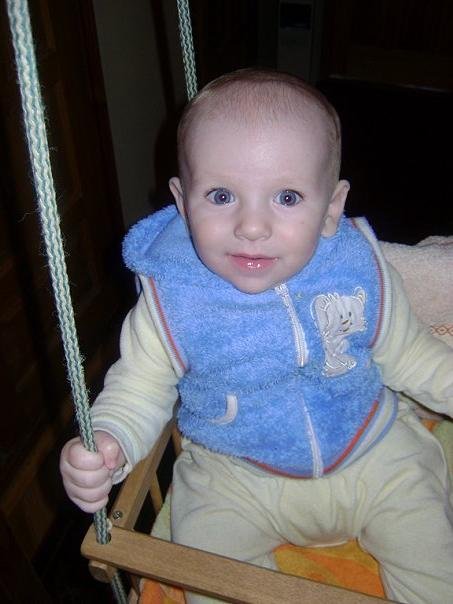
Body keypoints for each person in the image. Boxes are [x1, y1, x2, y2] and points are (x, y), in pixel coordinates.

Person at [60, 69, 453, 604]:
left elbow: (410, 355)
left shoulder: (357, 267)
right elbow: (139, 388)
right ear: (182, 201)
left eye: (287, 197)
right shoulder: (172, 297)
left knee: (434, 555)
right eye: (221, 195)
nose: (251, 226)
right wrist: (110, 442)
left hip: (372, 450)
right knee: (207, 564)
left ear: (332, 207)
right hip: (234, 473)